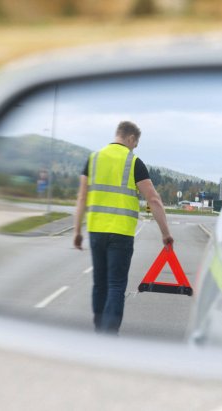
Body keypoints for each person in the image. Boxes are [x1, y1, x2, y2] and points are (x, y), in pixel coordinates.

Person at [73, 121, 173, 334]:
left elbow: (82, 197)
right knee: (116, 285)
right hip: (121, 234)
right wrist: (165, 233)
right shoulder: (133, 162)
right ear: (130, 138)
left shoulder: (93, 159)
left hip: (96, 231)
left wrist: (76, 232)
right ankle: (108, 335)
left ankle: (99, 329)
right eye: (135, 144)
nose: (134, 148)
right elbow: (153, 199)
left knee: (99, 283)